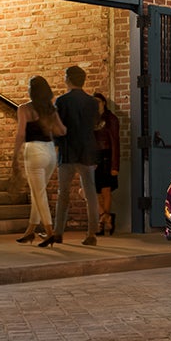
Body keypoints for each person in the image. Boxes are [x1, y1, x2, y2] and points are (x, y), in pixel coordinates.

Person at [11, 76, 67, 246]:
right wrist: (48, 126)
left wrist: (14, 156)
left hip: (34, 151)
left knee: (39, 193)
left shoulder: (24, 109)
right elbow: (62, 131)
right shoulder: (51, 110)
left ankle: (50, 232)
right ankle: (30, 231)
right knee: (38, 192)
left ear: (31, 90)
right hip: (50, 151)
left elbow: (21, 133)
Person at [50, 65, 101, 246]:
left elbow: (57, 127)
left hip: (68, 152)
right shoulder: (92, 102)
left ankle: (58, 232)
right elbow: (94, 126)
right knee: (91, 195)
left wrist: (56, 146)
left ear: (69, 79)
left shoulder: (62, 101)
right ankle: (92, 234)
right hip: (87, 152)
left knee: (63, 194)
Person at [93, 92, 120, 235]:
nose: (96, 104)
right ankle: (106, 217)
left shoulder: (111, 119)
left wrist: (115, 166)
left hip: (107, 157)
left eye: (98, 101)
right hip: (93, 157)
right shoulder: (90, 119)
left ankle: (101, 222)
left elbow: (115, 142)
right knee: (89, 191)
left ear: (103, 102)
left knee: (106, 191)